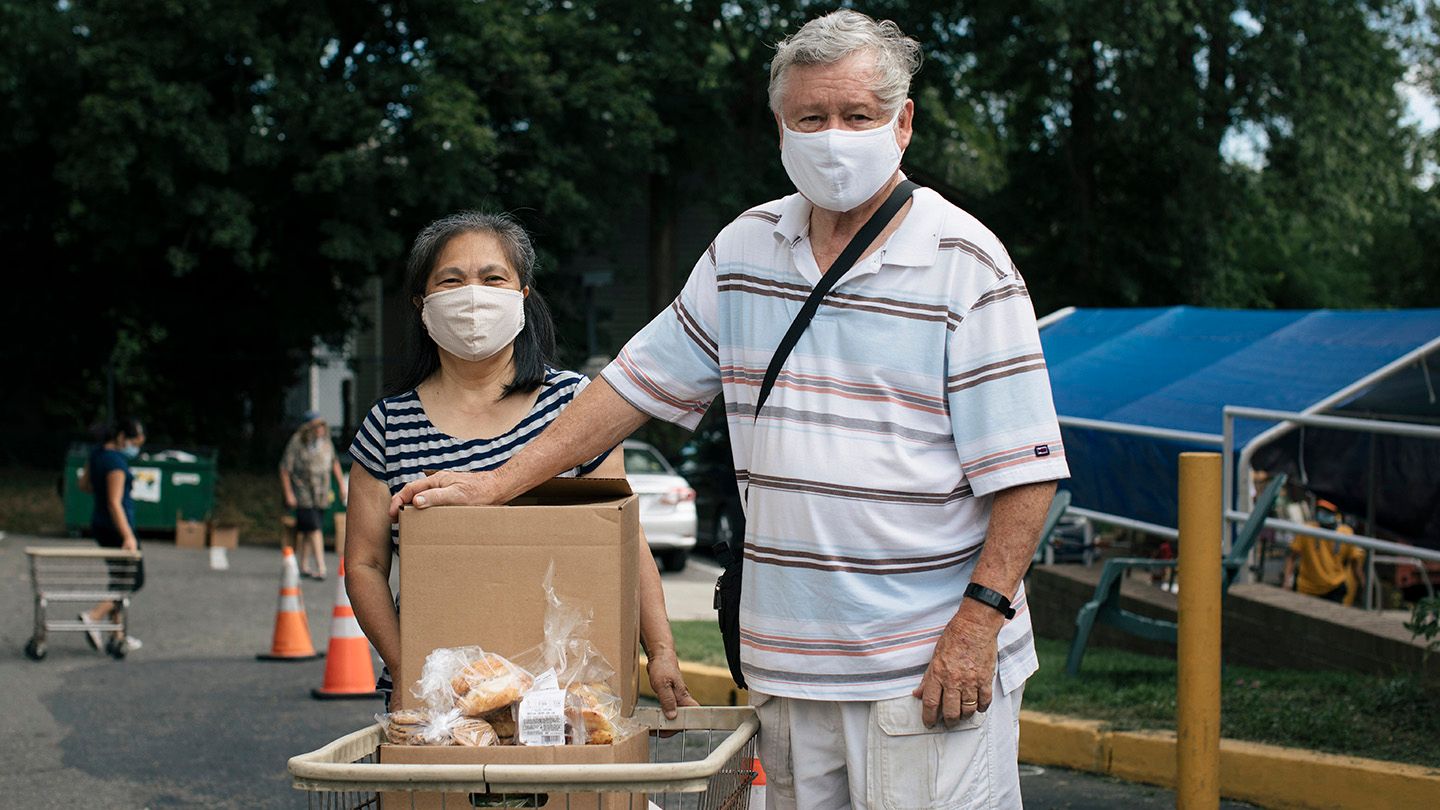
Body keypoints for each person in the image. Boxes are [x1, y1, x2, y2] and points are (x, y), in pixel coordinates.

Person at [388, 12, 1069, 808]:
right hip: (785, 670)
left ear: (904, 122)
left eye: (857, 116)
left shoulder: (968, 265)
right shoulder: (745, 250)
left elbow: (1027, 471)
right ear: (779, 127)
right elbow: (626, 390)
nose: (834, 138)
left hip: (921, 674)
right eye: (811, 118)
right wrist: (496, 484)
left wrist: (978, 626)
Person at [344, 210, 695, 715]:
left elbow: (625, 541)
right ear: (423, 303)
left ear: (523, 296)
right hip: (440, 697)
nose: (473, 296)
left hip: (573, 692)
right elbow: (365, 564)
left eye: (492, 278)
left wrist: (660, 652)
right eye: (452, 280)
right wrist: (406, 670)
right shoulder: (387, 426)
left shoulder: (575, 407)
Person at [77, 417, 147, 653]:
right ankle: (94, 616)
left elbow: (84, 486)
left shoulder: (96, 454)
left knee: (119, 578)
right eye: (136, 439)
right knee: (134, 580)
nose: (138, 444)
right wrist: (128, 536)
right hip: (117, 528)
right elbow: (114, 503)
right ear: (121, 438)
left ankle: (118, 635)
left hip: (100, 526)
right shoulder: (116, 463)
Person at [279, 411, 347, 580]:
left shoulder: (325, 443)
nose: (320, 429)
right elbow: (285, 468)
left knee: (308, 529)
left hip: (321, 492)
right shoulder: (297, 442)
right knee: (314, 528)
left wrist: (341, 486)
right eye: (316, 426)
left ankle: (303, 565)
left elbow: (334, 463)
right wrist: (289, 493)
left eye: (322, 426)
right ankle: (321, 566)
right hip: (303, 492)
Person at [1284, 498, 1364, 605]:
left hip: (1334, 587)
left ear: (1336, 514)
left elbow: (1355, 563)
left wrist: (1362, 584)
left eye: (1328, 511)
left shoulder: (1346, 533)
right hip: (1308, 588)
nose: (1323, 514)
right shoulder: (1307, 530)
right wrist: (1287, 582)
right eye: (1321, 510)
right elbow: (1291, 556)